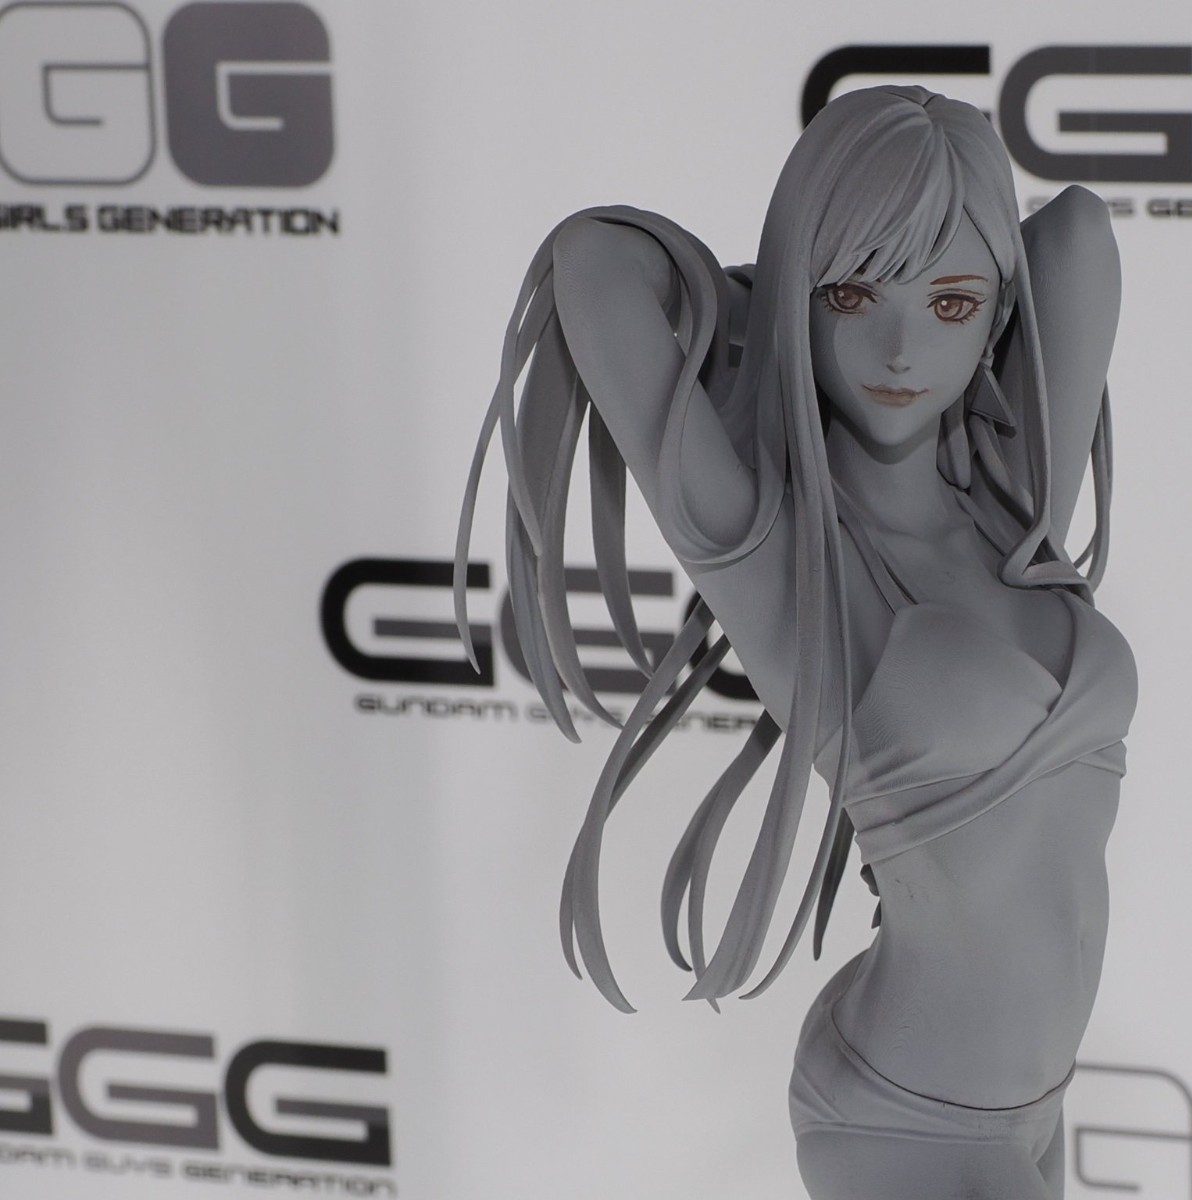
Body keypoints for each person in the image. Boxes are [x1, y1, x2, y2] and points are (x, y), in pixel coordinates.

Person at [457, 85, 1136, 1200]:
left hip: (1035, 1100)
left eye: (952, 302)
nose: (902, 346)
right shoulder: (777, 556)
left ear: (997, 314)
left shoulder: (1018, 508)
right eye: (853, 295)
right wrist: (774, 304)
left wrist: (896, 234)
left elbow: (1077, 234)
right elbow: (592, 261)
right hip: (909, 1114)